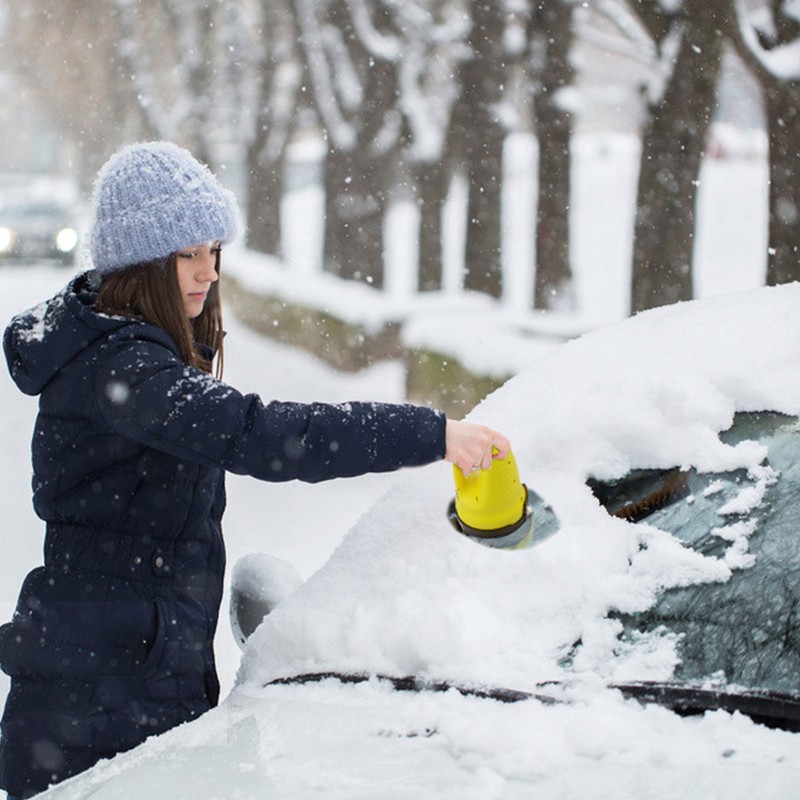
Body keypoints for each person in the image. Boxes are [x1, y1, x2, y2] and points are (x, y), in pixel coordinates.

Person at [0, 141, 510, 798]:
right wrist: (432, 433)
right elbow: (265, 434)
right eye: (187, 253)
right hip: (99, 699)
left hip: (121, 671)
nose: (208, 271)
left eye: (213, 251)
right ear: (139, 261)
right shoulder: (123, 368)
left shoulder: (123, 351)